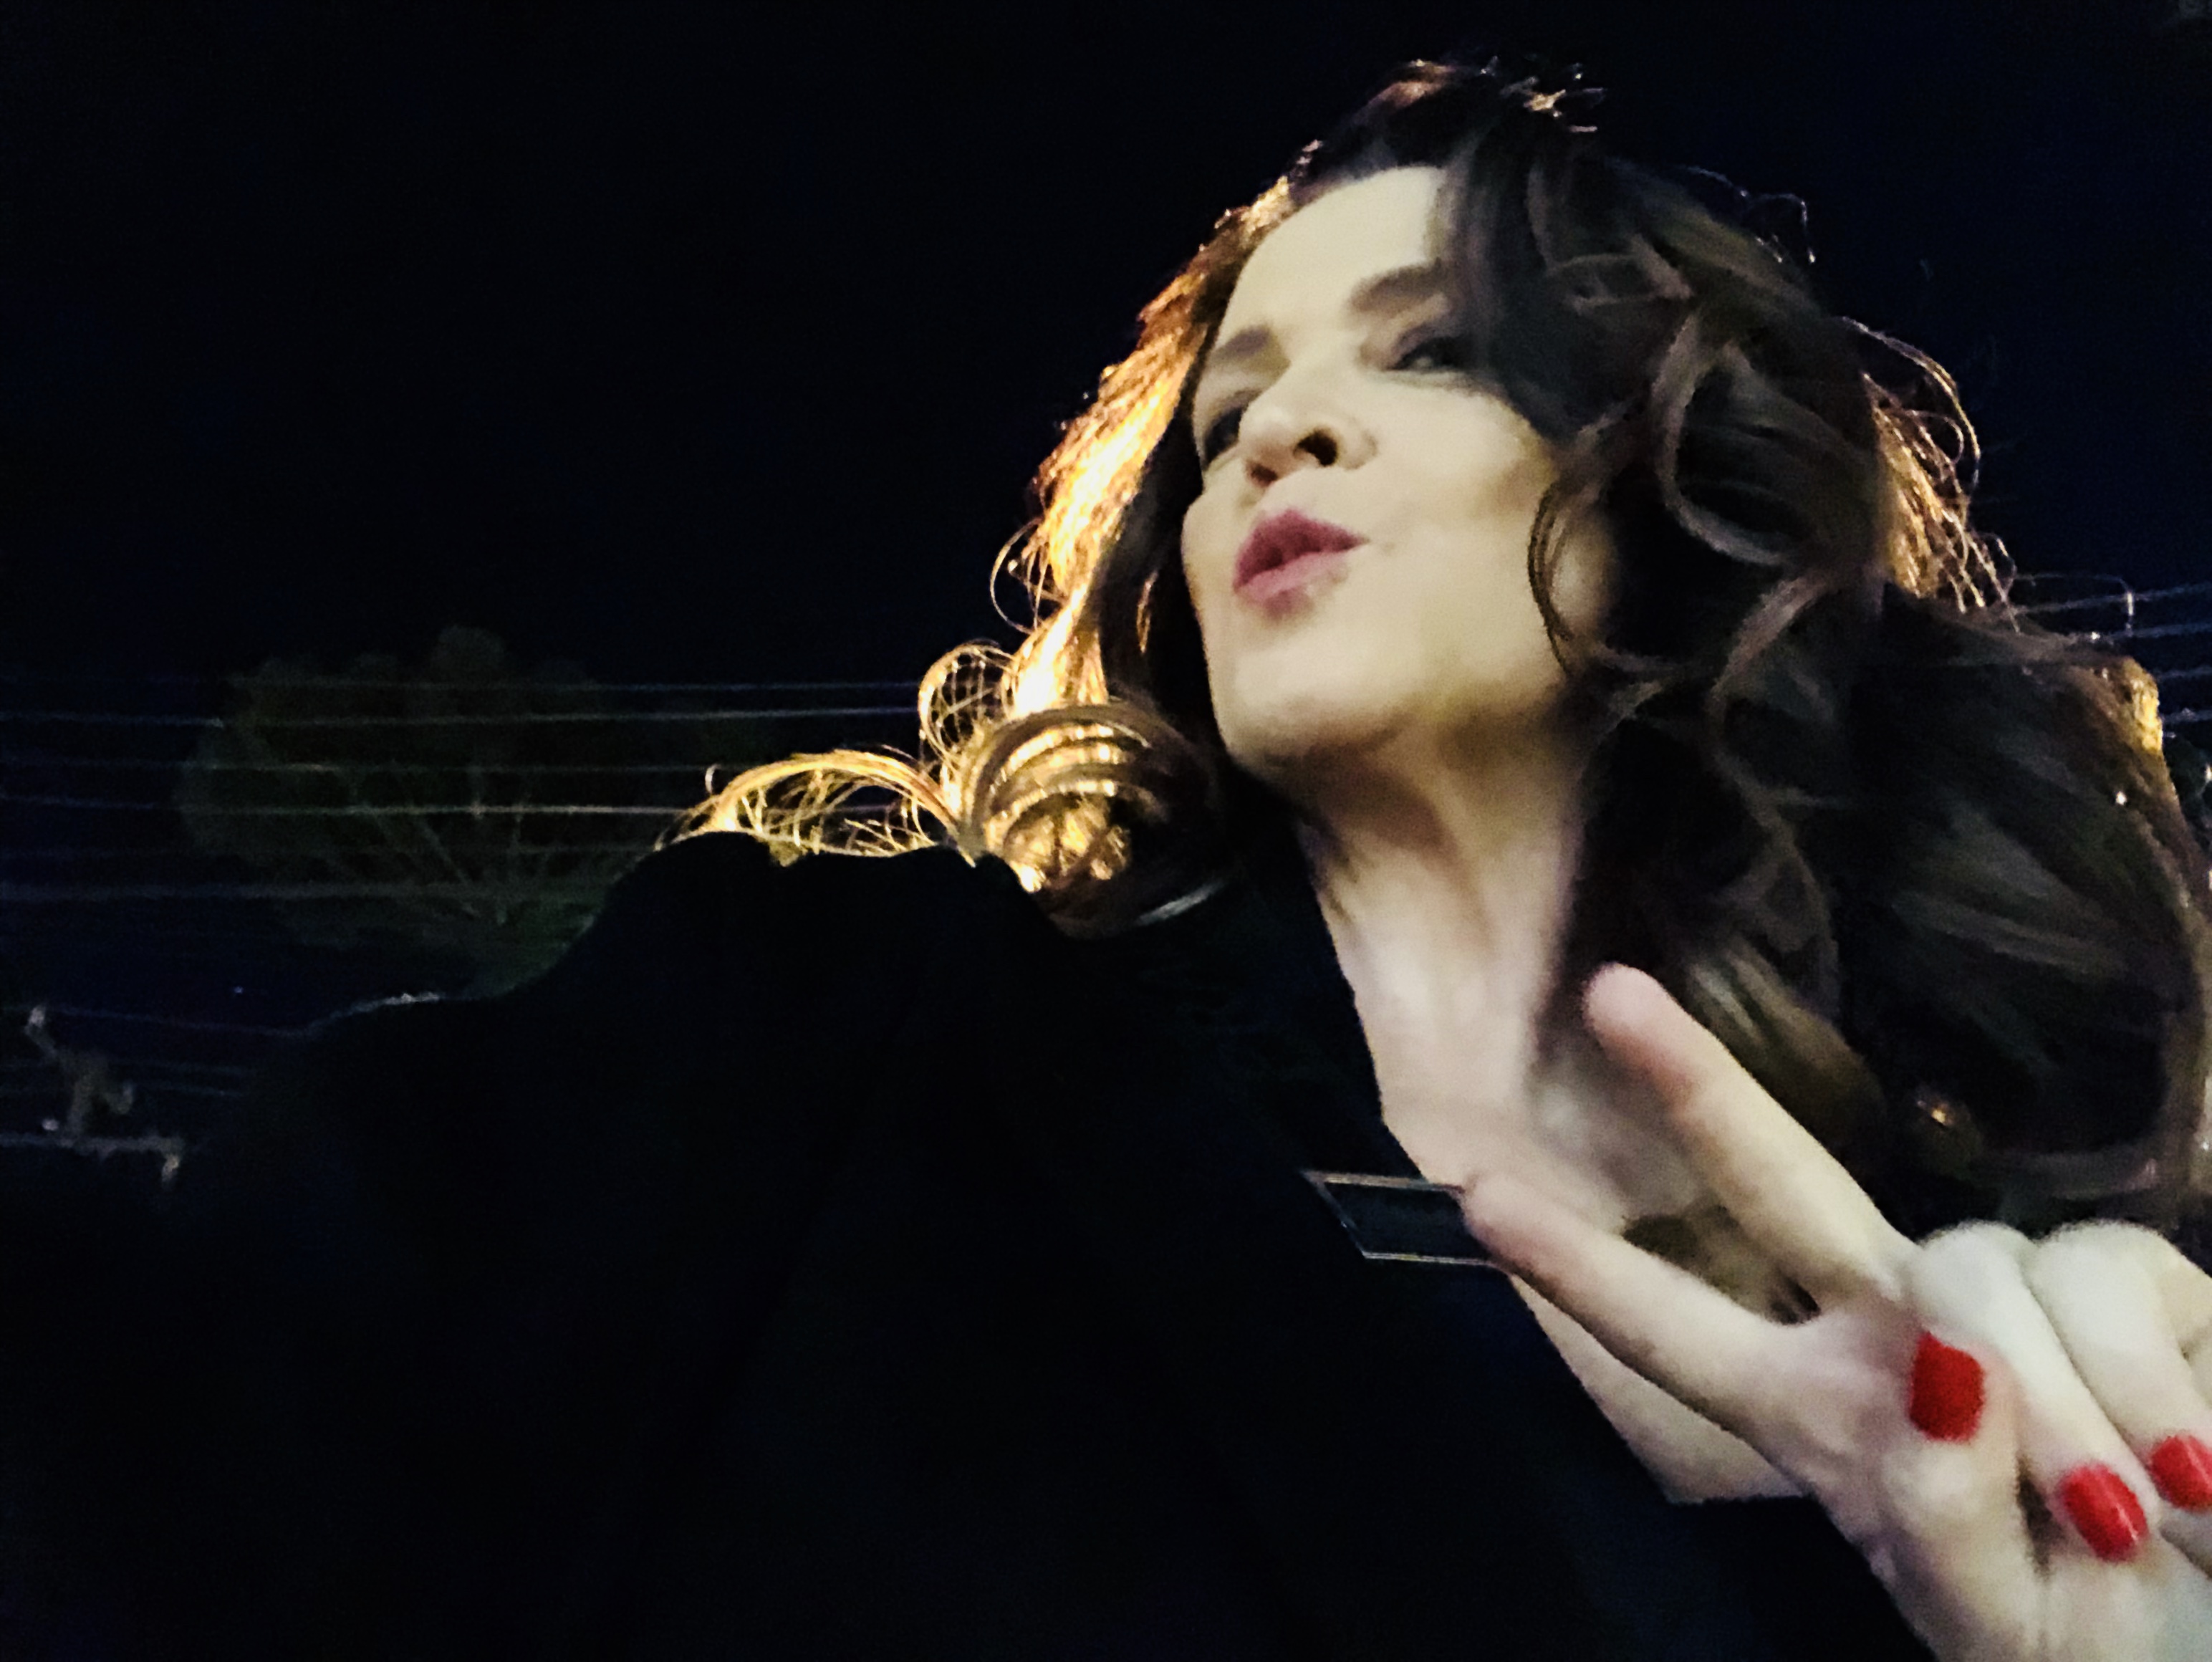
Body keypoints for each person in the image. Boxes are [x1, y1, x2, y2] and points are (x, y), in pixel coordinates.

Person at [4, 57, 2211, 1660]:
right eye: (1229, 405)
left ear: (1674, 476)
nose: (1275, 433)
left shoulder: (2019, 1309)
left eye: (1436, 351)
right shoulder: (818, 1048)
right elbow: (191, 1401)